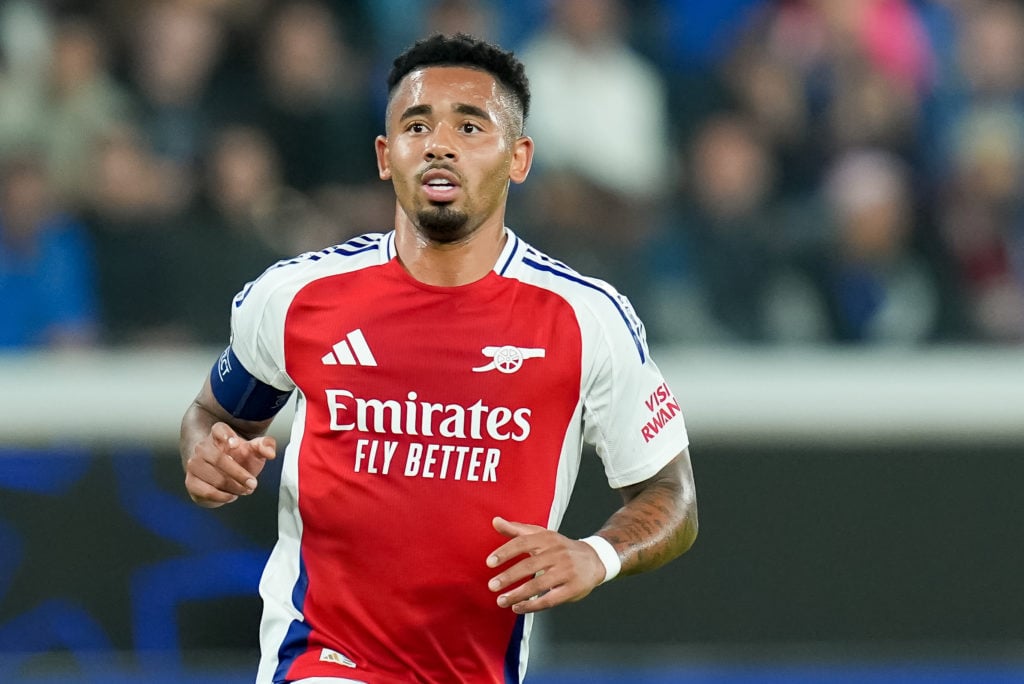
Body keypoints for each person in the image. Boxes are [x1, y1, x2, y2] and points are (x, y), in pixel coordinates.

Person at [179, 33, 697, 684]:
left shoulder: (586, 318)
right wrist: (207, 455)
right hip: (324, 663)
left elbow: (671, 493)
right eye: (416, 125)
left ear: (519, 157)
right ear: (384, 155)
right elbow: (211, 415)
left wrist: (597, 555)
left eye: (470, 125)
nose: (439, 143)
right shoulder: (296, 296)